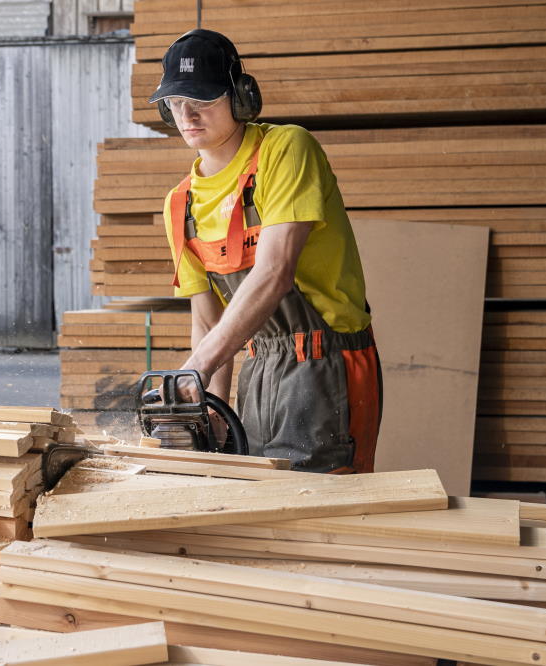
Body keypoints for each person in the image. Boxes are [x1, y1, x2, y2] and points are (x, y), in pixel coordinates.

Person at [150, 29, 382, 473]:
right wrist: (210, 405)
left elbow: (275, 271)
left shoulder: (286, 149)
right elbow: (207, 320)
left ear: (240, 97)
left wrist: (195, 368)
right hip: (260, 368)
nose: (188, 114)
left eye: (202, 98)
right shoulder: (180, 204)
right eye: (176, 102)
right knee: (260, 500)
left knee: (318, 507)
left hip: (326, 362)